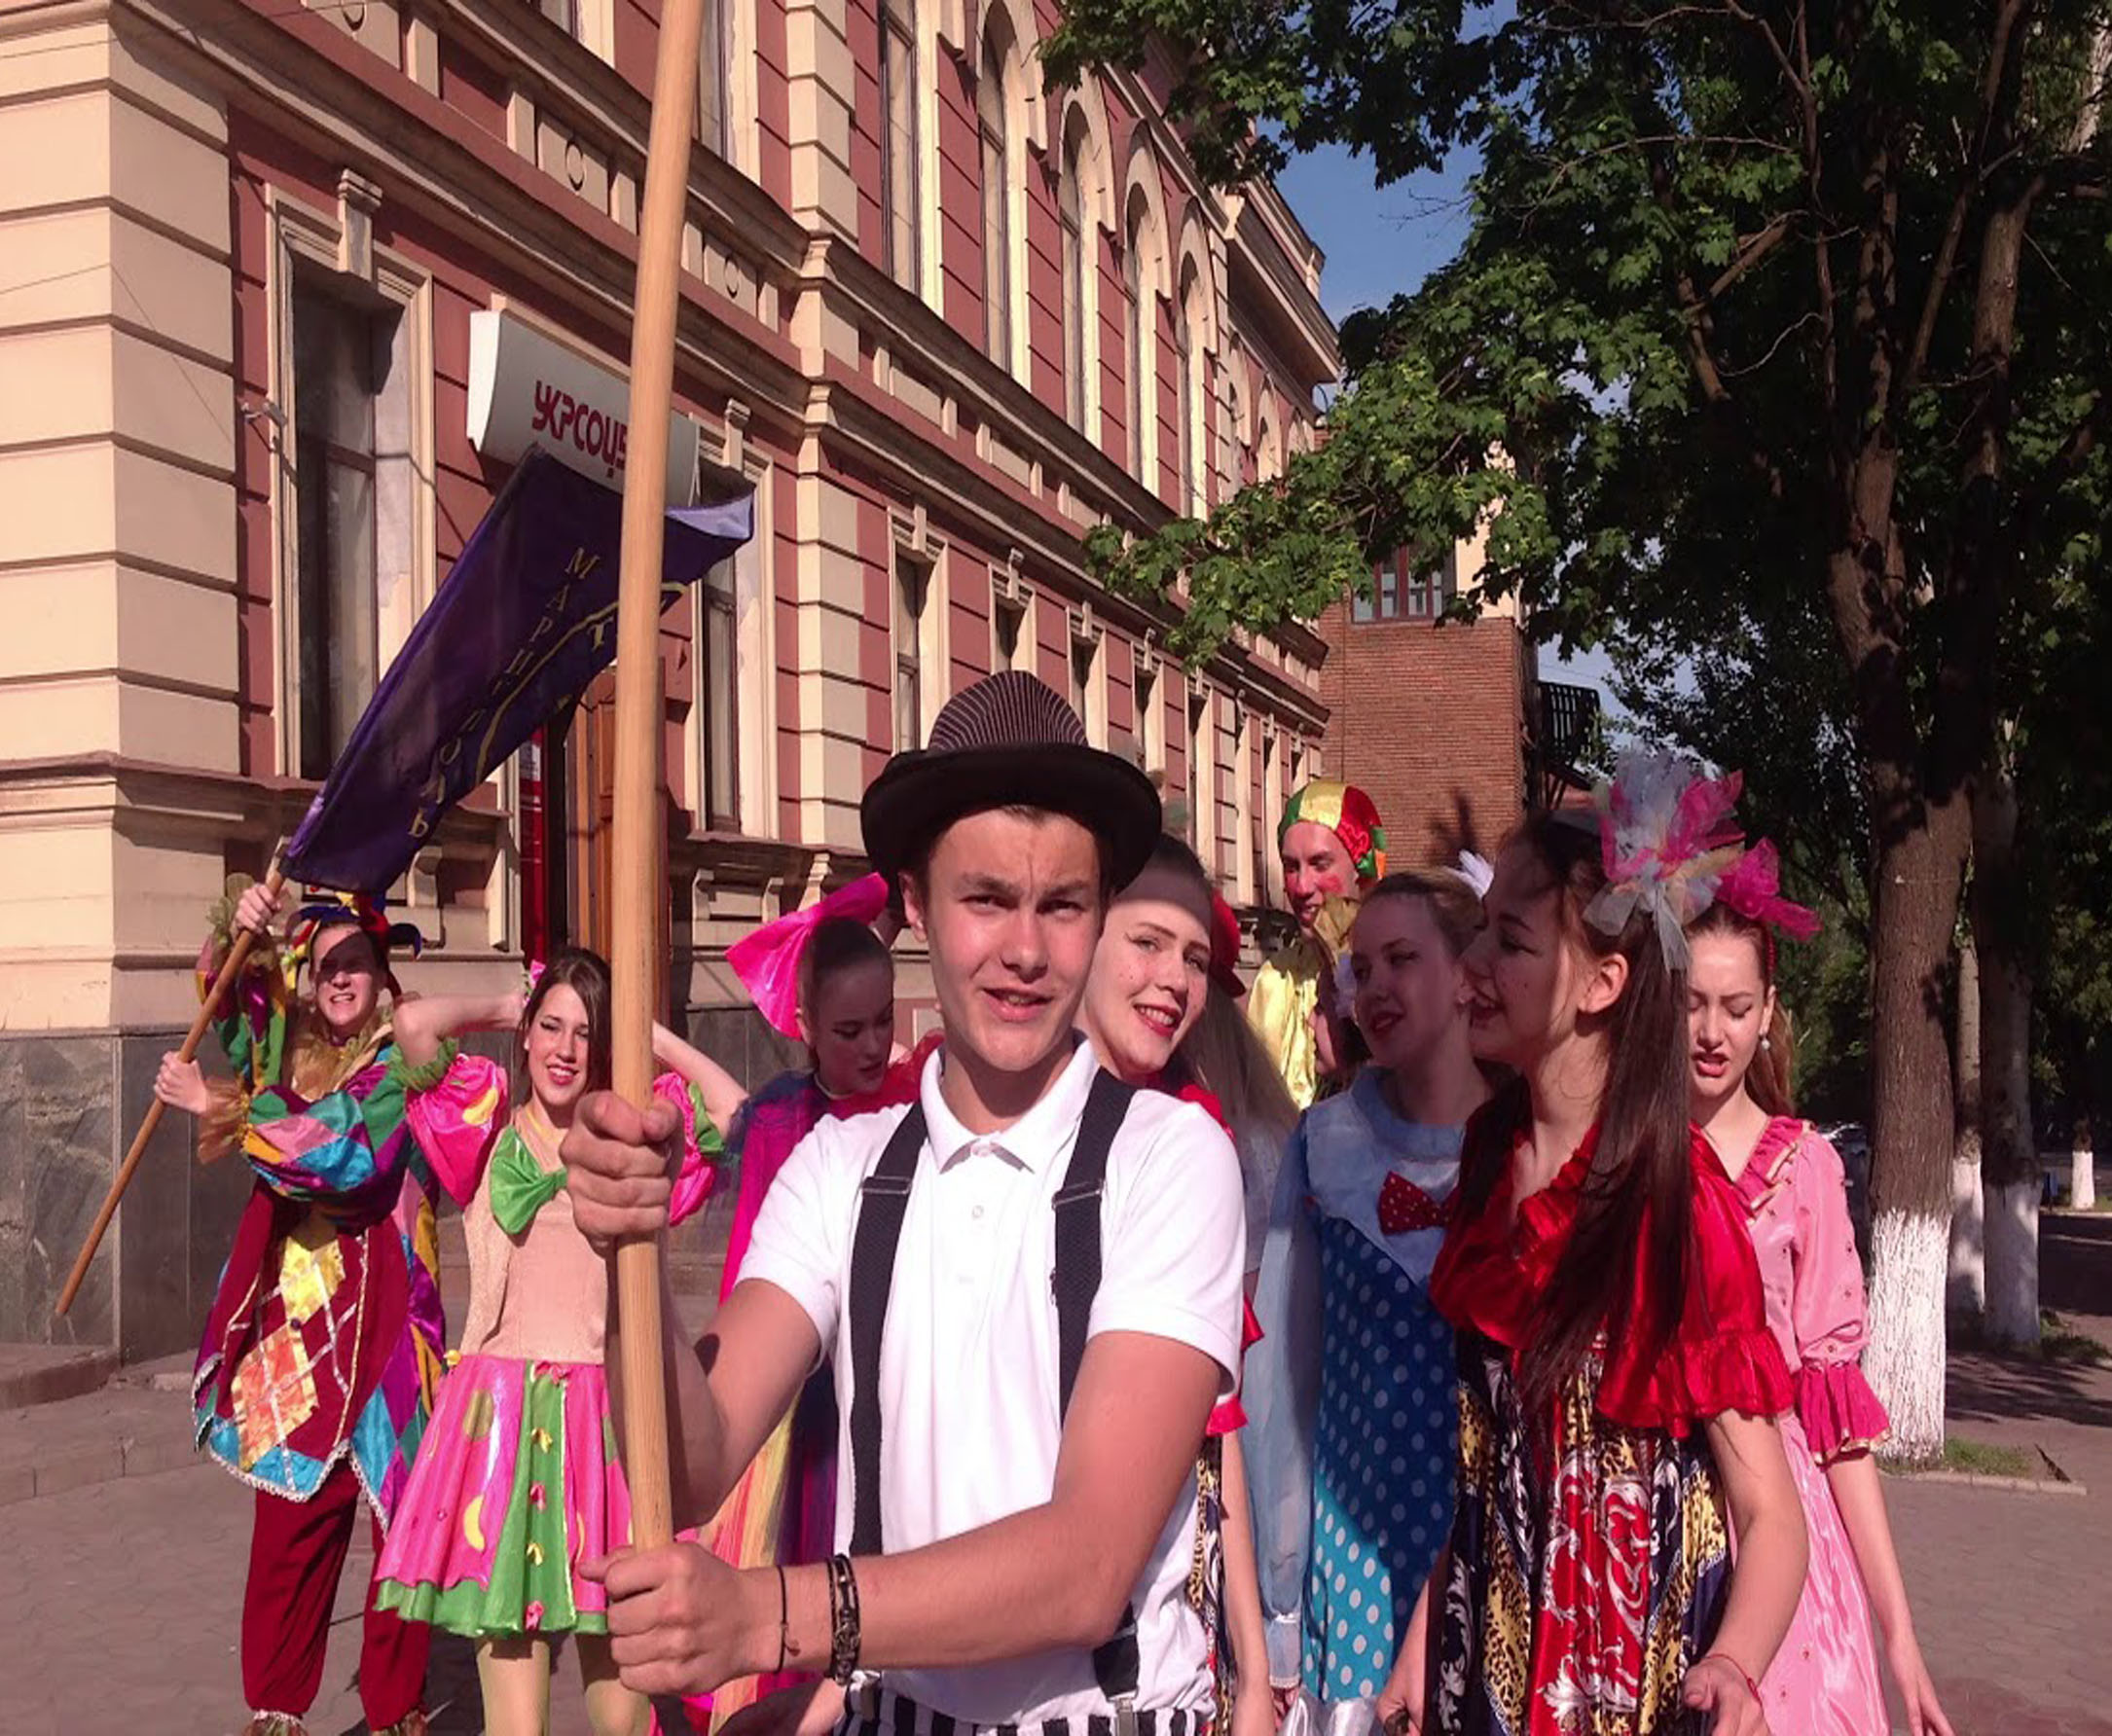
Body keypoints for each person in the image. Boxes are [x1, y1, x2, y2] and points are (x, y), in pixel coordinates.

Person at [559, 670, 1248, 1736]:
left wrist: (767, 1617)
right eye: (986, 899)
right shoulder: (840, 1166)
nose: (1026, 951)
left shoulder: (1170, 1157)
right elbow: (695, 1460)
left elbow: (1086, 1566)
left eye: (1062, 906)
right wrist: (628, 1250)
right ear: (916, 902)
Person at [1381, 757, 1808, 1736]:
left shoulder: (1675, 1208)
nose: (1471, 963)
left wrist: (1734, 1665)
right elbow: (1480, 1472)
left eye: (1510, 941)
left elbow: (1772, 1515)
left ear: (1604, 982)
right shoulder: (1488, 1162)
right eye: (1480, 930)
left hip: (1622, 1686)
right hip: (1483, 1669)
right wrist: (1419, 1643)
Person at [368, 948, 725, 1736]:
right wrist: (509, 1004)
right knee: (516, 1725)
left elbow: (732, 1112)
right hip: (499, 1428)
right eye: (552, 1027)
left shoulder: (632, 1147)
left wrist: (651, 1039)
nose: (566, 1049)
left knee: (624, 1713)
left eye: (586, 1033)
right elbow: (413, 1024)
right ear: (527, 1036)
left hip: (608, 1427)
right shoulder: (483, 1129)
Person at [154, 879, 440, 1736]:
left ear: (383, 974)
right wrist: (240, 933)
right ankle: (276, 1712)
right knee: (288, 1533)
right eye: (324, 967)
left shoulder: (408, 1064)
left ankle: (396, 1713)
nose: (339, 979)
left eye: (355, 962)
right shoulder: (292, 1050)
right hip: (297, 1333)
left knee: (400, 1535)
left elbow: (346, 1153)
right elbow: (239, 1009)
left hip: (390, 1332)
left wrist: (220, 1106)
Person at [1688, 844, 1952, 1736]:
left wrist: (1900, 1634)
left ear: (1768, 1013)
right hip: (1651, 1505)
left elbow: (1837, 1428)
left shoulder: (1805, 1169)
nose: (1711, 1032)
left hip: (1785, 1530)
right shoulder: (1627, 1158)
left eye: (1735, 1008)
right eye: (1691, 1004)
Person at [1246, 866, 1490, 1716]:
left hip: (1492, 1551)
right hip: (1352, 1552)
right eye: (1362, 968)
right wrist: (1279, 1604)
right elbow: (1280, 1380)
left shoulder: (1528, 1146)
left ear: (1466, 976)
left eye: (1402, 960)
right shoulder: (1326, 1143)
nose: (1375, 987)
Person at [699, 891, 934, 1730]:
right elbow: (751, 1275)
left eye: (883, 1022)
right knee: (808, 1573)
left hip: (892, 1382)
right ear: (804, 1026)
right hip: (805, 1403)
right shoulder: (780, 1120)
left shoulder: (918, 1103)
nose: (873, 1045)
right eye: (848, 1030)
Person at [1076, 833, 1287, 1736]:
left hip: (1165, 1655)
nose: (1174, 979)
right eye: (1148, 942)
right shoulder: (997, 1130)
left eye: (1196, 958)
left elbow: (1218, 1433)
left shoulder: (1196, 1148)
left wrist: (1255, 1675)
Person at [1246, 779, 1386, 1108]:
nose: (1302, 886)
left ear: (1361, 869)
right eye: (1291, 867)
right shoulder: (1273, 979)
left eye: (1320, 864)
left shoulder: (1387, 970)